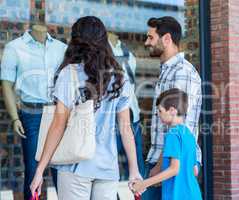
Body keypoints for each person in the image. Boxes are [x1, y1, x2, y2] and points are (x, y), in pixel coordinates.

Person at [29, 16, 142, 200]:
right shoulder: (119, 78)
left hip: (75, 164)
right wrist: (134, 170)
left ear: (76, 41)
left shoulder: (69, 74)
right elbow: (125, 128)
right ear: (104, 41)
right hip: (107, 168)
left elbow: (58, 125)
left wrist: (40, 170)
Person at [0, 24, 67, 200]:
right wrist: (15, 118)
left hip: (58, 111)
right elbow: (6, 84)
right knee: (33, 168)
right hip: (31, 114)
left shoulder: (61, 49)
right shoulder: (14, 48)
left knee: (61, 169)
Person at [142, 16, 202, 200]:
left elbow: (181, 126)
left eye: (151, 37)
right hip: (164, 159)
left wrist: (159, 166)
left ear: (166, 38)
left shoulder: (182, 72)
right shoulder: (168, 71)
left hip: (171, 163)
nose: (146, 42)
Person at [131, 88, 202, 200]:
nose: (158, 115)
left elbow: (174, 169)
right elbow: (194, 170)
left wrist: (144, 184)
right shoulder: (188, 134)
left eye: (160, 111)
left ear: (172, 111)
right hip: (193, 194)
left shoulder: (172, 134)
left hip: (177, 196)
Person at [108, 32, 145, 180]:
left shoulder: (129, 55)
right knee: (111, 166)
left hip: (132, 116)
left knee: (137, 166)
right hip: (111, 120)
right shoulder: (101, 53)